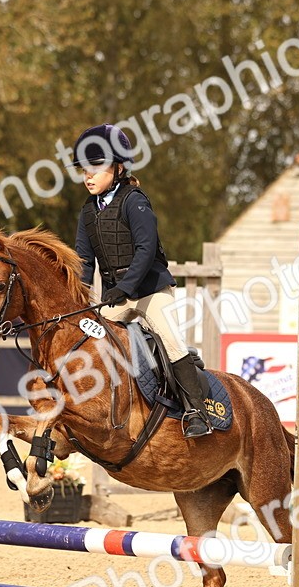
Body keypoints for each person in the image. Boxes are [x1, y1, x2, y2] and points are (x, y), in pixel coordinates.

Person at [71, 123, 212, 438]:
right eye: (84, 169)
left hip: (149, 292)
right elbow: (83, 259)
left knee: (171, 341)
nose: (88, 176)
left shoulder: (135, 201)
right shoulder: (87, 212)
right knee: (86, 341)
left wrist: (125, 288)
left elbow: (146, 250)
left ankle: (195, 412)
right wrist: (78, 300)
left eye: (96, 167)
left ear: (118, 167)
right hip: (115, 298)